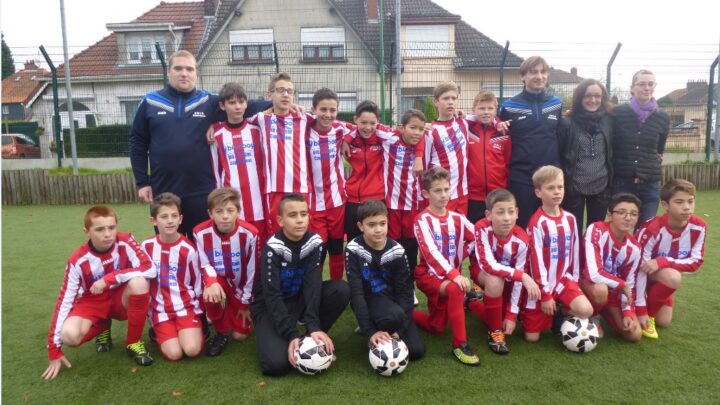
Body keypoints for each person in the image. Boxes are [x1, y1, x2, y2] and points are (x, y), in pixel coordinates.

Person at [129, 50, 270, 238]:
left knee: (202, 247)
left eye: (189, 69)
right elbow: (137, 142)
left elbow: (249, 106)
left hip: (202, 192)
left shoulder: (209, 102)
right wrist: (142, 182)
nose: (184, 73)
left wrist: (283, 105)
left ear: (196, 73)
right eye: (178, 68)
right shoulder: (149, 102)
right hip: (164, 188)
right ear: (169, 71)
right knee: (169, 247)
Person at [42, 206, 156, 380]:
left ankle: (133, 342)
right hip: (92, 302)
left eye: (111, 227)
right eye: (100, 229)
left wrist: (110, 278)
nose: (108, 234)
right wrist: (53, 348)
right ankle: (103, 325)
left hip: (120, 297)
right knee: (69, 336)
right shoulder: (77, 260)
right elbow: (65, 301)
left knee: (139, 283)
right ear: (87, 231)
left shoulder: (125, 241)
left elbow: (149, 268)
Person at [251, 194, 350, 376]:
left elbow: (313, 285)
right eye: (293, 215)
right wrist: (290, 333)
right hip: (270, 307)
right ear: (280, 220)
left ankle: (309, 339)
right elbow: (271, 295)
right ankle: (293, 338)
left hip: (299, 300)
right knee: (276, 365)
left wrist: (313, 325)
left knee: (341, 289)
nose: (299, 220)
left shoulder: (315, 243)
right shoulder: (272, 248)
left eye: (303, 214)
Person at [413, 167, 480, 366]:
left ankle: (404, 312)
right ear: (426, 194)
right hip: (428, 275)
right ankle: (460, 345)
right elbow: (430, 253)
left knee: (436, 327)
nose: (444, 195)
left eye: (446, 189)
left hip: (450, 276)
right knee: (456, 289)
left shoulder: (457, 218)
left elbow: (478, 237)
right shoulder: (421, 220)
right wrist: (453, 273)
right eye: (437, 191)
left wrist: (463, 253)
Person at [345, 200, 425, 360]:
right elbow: (357, 293)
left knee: (416, 351)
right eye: (371, 225)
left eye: (382, 223)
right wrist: (370, 332)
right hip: (370, 300)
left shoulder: (397, 250)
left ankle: (389, 328)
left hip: (393, 303)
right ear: (361, 226)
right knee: (392, 316)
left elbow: (406, 293)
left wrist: (400, 331)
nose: (378, 229)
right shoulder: (353, 249)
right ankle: (371, 327)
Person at [523, 166, 593, 342]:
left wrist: (575, 280)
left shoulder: (570, 218)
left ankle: (559, 311)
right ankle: (531, 310)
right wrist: (545, 295)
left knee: (586, 310)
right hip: (541, 287)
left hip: (564, 281)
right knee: (532, 338)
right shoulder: (537, 223)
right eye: (550, 188)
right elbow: (535, 261)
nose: (557, 192)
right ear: (538, 193)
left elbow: (575, 252)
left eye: (560, 187)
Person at [468, 188, 541, 354]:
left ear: (517, 213)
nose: (506, 218)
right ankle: (495, 332)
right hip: (483, 273)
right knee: (495, 280)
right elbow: (488, 265)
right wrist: (522, 276)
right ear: (489, 215)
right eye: (500, 212)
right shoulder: (481, 228)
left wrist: (511, 315)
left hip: (510, 280)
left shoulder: (522, 240)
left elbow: (518, 282)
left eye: (510, 212)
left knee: (504, 316)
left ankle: (472, 302)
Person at [635, 179, 706, 338]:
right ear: (665, 205)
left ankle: (651, 306)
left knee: (664, 322)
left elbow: (696, 262)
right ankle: (644, 310)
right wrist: (641, 310)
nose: (687, 207)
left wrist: (662, 262)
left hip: (661, 276)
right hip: (640, 276)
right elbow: (637, 268)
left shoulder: (699, 227)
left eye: (690, 201)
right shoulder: (652, 228)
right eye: (679, 202)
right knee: (673, 277)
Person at [193, 188, 259, 357]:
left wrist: (244, 304)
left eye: (230, 210)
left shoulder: (250, 233)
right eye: (219, 211)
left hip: (240, 285)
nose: (225, 216)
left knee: (240, 336)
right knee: (208, 291)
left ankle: (231, 310)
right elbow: (203, 263)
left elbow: (252, 271)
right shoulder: (199, 232)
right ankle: (221, 332)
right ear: (210, 213)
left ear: (238, 211)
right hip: (218, 281)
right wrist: (211, 282)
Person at [499, 56, 563, 228]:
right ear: (523, 76)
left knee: (550, 226)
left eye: (543, 72)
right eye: (533, 72)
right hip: (522, 177)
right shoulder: (508, 106)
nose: (539, 76)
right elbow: (491, 126)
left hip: (550, 177)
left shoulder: (556, 104)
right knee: (524, 226)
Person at [142, 193, 204, 360]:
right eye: (164, 216)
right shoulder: (146, 247)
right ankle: (158, 330)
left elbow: (197, 283)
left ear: (180, 219)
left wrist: (201, 310)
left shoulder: (188, 249)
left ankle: (194, 328)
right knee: (175, 354)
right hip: (160, 310)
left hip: (185, 307)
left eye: (174, 216)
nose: (170, 221)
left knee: (191, 350)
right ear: (154, 221)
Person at [248, 72, 311, 235]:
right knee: (276, 236)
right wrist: (212, 125)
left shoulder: (303, 117)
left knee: (300, 235)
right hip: (274, 189)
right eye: (280, 90)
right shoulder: (262, 118)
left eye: (290, 91)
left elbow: (331, 123)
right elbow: (235, 115)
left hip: (300, 187)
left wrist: (346, 139)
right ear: (270, 94)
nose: (285, 95)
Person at [210, 82, 268, 243]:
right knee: (239, 246)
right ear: (222, 105)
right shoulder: (217, 134)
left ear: (246, 104)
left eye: (241, 102)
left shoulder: (257, 130)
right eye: (232, 102)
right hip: (232, 202)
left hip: (259, 201)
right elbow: (216, 171)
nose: (237, 107)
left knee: (260, 246)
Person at [580, 193, 642, 342]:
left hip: (613, 293)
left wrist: (627, 313)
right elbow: (593, 274)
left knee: (634, 335)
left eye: (633, 214)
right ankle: (589, 316)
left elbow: (630, 285)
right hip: (585, 283)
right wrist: (622, 284)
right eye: (621, 212)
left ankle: (603, 311)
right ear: (609, 214)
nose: (628, 218)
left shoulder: (635, 248)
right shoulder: (596, 229)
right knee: (600, 289)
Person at [612, 69, 669, 226]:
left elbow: (659, 148)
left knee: (645, 230)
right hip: (622, 182)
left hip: (650, 184)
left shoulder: (662, 117)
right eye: (642, 84)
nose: (647, 88)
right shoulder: (617, 113)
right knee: (619, 229)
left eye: (651, 84)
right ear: (632, 88)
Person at [307, 88, 352, 280]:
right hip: (313, 204)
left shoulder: (341, 129)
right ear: (314, 109)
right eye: (323, 109)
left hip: (337, 202)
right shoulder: (304, 130)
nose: (328, 114)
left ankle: (336, 286)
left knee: (336, 248)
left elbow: (368, 126)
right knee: (317, 250)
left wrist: (346, 140)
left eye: (332, 110)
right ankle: (315, 290)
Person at [558, 79, 614, 234]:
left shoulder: (609, 121)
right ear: (580, 98)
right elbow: (560, 154)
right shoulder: (567, 123)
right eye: (588, 96)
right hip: (574, 187)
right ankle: (575, 258)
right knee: (573, 232)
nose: (593, 100)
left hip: (601, 186)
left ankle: (592, 259)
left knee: (595, 232)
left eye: (597, 96)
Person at [344, 101, 389, 242]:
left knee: (377, 241)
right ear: (355, 119)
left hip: (377, 199)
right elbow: (326, 122)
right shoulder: (346, 135)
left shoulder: (383, 137)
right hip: (352, 200)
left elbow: (406, 132)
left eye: (372, 123)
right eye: (363, 122)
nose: (368, 128)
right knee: (353, 243)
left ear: (378, 122)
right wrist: (346, 139)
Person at [466, 90, 511, 224]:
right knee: (475, 235)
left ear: (496, 110)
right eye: (481, 108)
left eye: (490, 108)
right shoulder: (467, 131)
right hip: (473, 196)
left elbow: (508, 162)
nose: (486, 112)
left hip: (497, 195)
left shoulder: (504, 133)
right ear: (473, 110)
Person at [425, 81, 470, 215]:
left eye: (454, 98)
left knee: (460, 233)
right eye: (445, 98)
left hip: (463, 192)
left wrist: (498, 123)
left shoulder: (464, 122)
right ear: (436, 102)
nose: (450, 102)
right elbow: (425, 164)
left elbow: (486, 115)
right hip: (441, 195)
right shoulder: (430, 131)